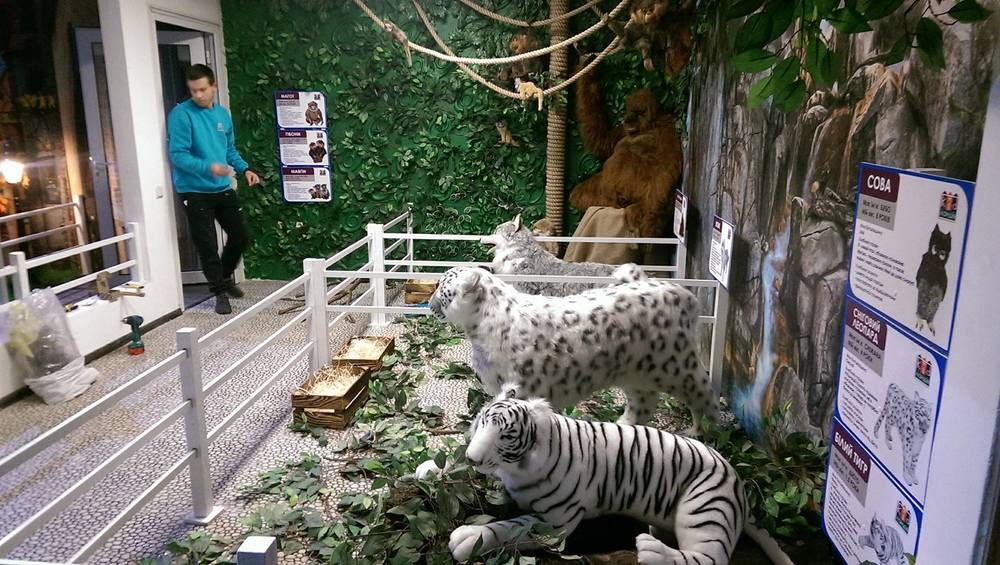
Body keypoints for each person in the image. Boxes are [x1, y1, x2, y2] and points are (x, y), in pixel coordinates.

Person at [167, 64, 260, 314]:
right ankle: (219, 293)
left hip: (221, 187)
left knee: (240, 236)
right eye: (193, 90)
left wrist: (244, 169)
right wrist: (209, 167)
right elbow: (178, 155)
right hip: (194, 191)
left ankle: (224, 277)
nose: (198, 95)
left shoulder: (222, 115)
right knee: (207, 244)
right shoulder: (181, 115)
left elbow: (229, 149)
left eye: (202, 89)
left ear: (213, 87)